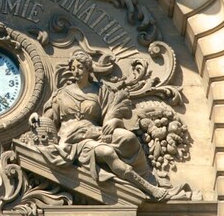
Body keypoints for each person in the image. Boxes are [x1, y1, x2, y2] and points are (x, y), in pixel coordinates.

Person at [37, 50, 170, 201]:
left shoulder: (99, 91)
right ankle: (147, 188)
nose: (76, 71)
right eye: (73, 68)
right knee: (107, 153)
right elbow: (50, 119)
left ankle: (146, 176)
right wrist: (37, 119)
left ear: (88, 68)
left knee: (128, 137)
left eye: (79, 67)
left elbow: (109, 115)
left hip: (94, 133)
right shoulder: (62, 93)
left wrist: (115, 122)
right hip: (70, 139)